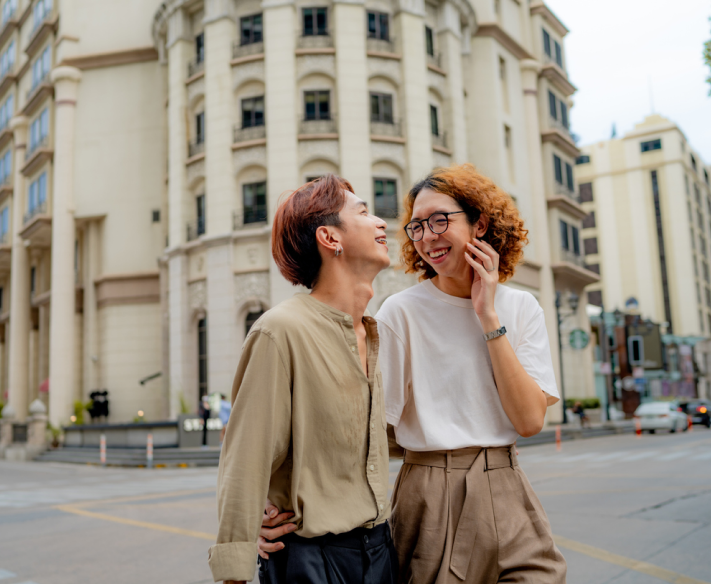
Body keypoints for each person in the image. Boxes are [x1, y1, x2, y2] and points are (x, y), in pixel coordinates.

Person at [261, 165, 567, 583]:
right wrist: (281, 507)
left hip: (507, 483)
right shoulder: (400, 313)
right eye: (417, 227)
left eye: (440, 220)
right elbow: (364, 433)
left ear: (480, 223)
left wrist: (487, 315)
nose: (427, 236)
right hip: (430, 491)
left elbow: (530, 420)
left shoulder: (521, 308)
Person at [208, 175, 397, 584]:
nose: (381, 221)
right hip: (311, 561)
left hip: (381, 552)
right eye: (364, 212)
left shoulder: (370, 331)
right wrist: (235, 568)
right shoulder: (280, 331)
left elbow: (376, 439)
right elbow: (245, 460)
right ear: (331, 238)